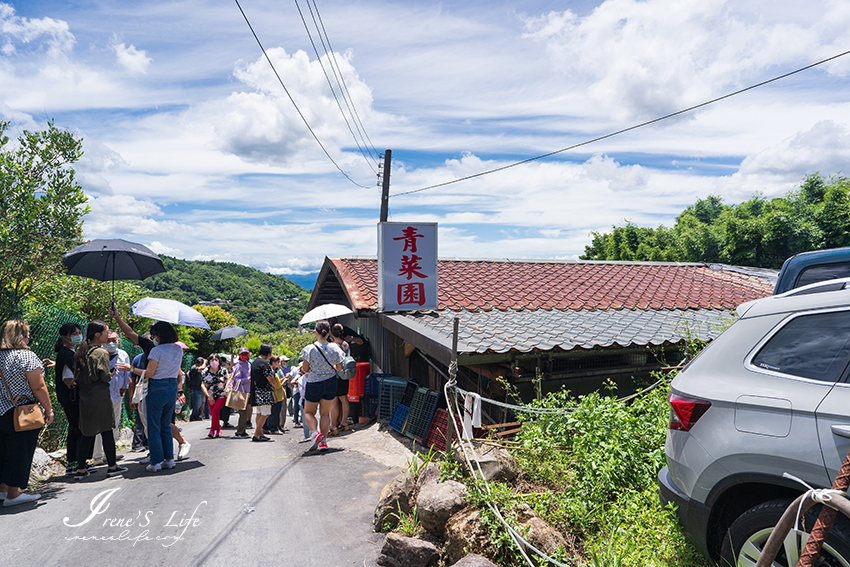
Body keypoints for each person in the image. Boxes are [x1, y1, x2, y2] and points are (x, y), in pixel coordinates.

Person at [0, 320, 53, 506]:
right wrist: (48, 408)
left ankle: (3, 489)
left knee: (4, 451)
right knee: (20, 451)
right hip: (23, 411)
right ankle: (14, 494)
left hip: (1, 411)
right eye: (27, 334)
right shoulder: (26, 356)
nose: (29, 337)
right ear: (20, 336)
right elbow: (38, 386)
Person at [73, 321, 127, 479]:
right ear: (97, 335)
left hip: (85, 396)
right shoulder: (101, 353)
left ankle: (81, 469)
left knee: (87, 433)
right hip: (100, 397)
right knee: (107, 431)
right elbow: (104, 376)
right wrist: (110, 374)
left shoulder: (82, 351)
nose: (108, 335)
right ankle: (112, 466)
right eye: (105, 332)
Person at [299, 320, 344, 451]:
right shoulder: (335, 348)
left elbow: (306, 370)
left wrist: (304, 368)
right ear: (329, 333)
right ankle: (323, 441)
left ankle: (315, 433)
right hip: (330, 382)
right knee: (325, 413)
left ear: (315, 333)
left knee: (308, 412)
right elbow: (339, 368)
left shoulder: (309, 349)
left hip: (314, 383)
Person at [93, 329, 130, 465]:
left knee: (114, 425)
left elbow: (126, 373)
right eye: (108, 340)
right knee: (98, 427)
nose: (111, 343)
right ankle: (97, 456)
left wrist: (124, 387)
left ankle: (110, 454)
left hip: (116, 395)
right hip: (100, 396)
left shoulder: (123, 355)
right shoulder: (97, 354)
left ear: (118, 341)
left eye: (114, 340)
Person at [53, 322, 84, 474]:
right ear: (64, 337)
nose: (78, 336)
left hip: (70, 398)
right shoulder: (66, 354)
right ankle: (78, 462)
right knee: (78, 429)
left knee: (74, 429)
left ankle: (73, 461)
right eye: (74, 334)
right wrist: (79, 391)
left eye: (79, 332)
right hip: (71, 399)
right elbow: (68, 379)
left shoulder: (70, 352)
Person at [249, 344, 276, 442]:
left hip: (257, 391)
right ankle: (256, 434)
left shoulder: (255, 361)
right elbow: (269, 377)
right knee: (265, 413)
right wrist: (274, 386)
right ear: (269, 353)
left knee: (259, 413)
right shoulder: (265, 363)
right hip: (265, 391)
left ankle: (260, 433)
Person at [328, 323, 351, 436]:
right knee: (344, 398)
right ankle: (344, 422)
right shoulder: (346, 344)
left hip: (334, 375)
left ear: (331, 333)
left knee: (334, 401)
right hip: (344, 374)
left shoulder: (332, 346)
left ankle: (333, 426)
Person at [201, 354, 228, 438]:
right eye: (212, 360)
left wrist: (227, 391)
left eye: (216, 360)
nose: (214, 362)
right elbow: (203, 385)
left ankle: (212, 430)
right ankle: (218, 429)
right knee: (213, 413)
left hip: (221, 394)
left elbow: (228, 382)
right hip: (211, 395)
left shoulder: (223, 370)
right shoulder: (205, 372)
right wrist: (209, 396)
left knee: (216, 411)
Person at [232, 347, 252, 439]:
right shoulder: (238, 365)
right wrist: (248, 379)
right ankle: (240, 432)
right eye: (242, 354)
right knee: (243, 413)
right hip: (241, 392)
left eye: (246, 353)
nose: (245, 356)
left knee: (245, 412)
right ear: (239, 355)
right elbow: (237, 379)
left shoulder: (248, 364)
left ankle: (242, 431)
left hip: (247, 392)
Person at [188, 357, 207, 421]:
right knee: (197, 404)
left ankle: (196, 416)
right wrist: (205, 362)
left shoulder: (196, 368)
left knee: (199, 404)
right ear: (200, 363)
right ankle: (193, 417)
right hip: (195, 388)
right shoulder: (194, 368)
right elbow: (203, 368)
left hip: (199, 388)